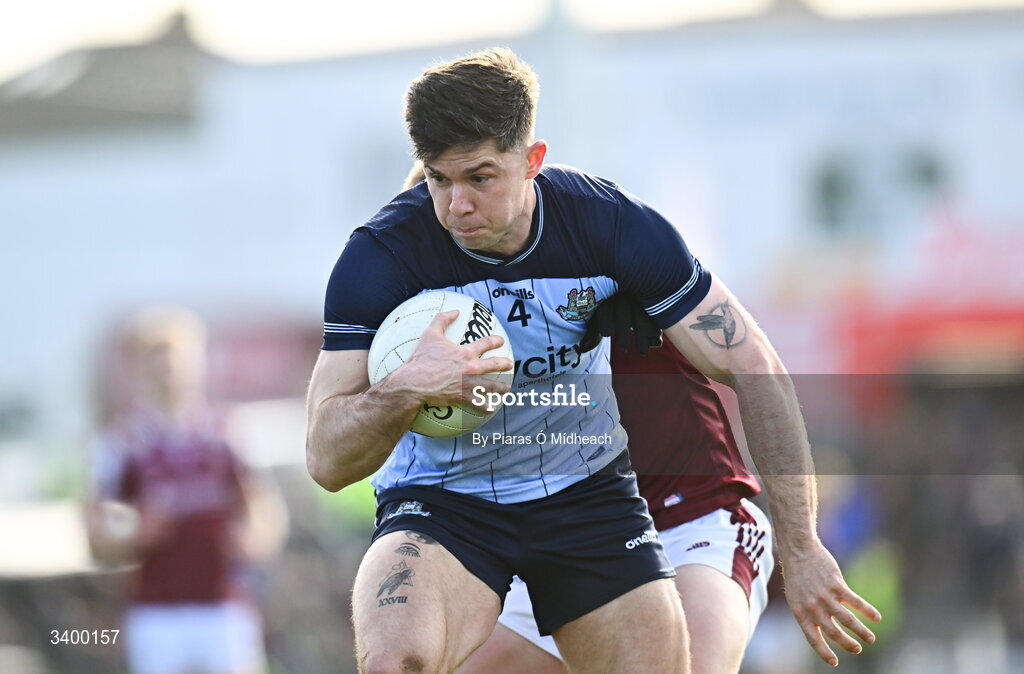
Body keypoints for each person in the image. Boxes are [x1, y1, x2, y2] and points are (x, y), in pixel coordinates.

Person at [306, 48, 879, 674]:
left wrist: (802, 547)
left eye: (479, 177)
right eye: (440, 180)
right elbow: (325, 461)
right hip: (445, 502)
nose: (455, 206)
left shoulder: (612, 228)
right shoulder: (383, 256)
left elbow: (756, 366)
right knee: (394, 661)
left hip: (592, 498)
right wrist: (404, 388)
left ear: (533, 161)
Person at [397, 166, 773, 674]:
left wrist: (806, 544)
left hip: (689, 519)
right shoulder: (433, 328)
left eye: (473, 191)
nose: (456, 217)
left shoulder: (606, 251)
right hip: (575, 540)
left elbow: (755, 367)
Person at [85, 306, 287, 674]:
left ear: (199, 362)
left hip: (223, 606)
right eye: (157, 360)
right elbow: (94, 531)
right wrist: (132, 533)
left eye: (178, 358)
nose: (169, 371)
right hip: (155, 611)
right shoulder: (122, 442)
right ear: (141, 368)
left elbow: (262, 507)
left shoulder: (228, 431)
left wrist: (254, 538)